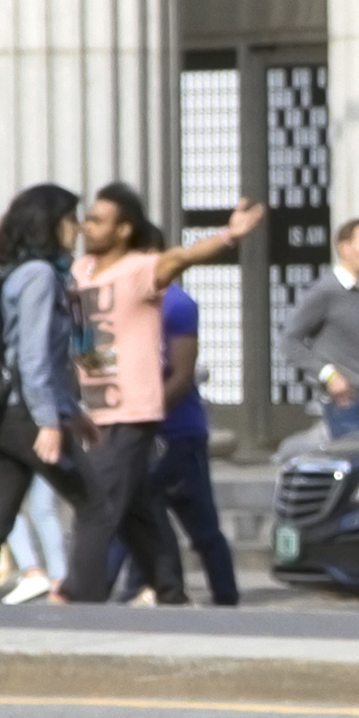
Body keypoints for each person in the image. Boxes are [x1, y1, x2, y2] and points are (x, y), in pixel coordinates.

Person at [63, 182, 265, 606]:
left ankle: (79, 597)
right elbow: (82, 337)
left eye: (98, 220)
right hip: (95, 410)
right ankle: (171, 591)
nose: (88, 226)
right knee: (138, 511)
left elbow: (184, 256)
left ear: (123, 230)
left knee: (97, 506)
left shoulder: (141, 271)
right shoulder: (79, 271)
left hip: (131, 411)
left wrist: (229, 235)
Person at [0, 184, 87, 604]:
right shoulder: (40, 276)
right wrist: (50, 420)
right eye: (70, 219)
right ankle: (81, 594)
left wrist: (74, 413)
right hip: (23, 414)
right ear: (48, 224)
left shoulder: (17, 272)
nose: (77, 228)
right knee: (99, 501)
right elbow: (33, 356)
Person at [146, 252, 243, 606]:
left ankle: (225, 594)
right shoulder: (124, 304)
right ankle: (160, 589)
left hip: (178, 432)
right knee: (139, 515)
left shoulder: (178, 305)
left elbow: (182, 377)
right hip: (137, 435)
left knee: (200, 522)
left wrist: (149, 415)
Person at [285, 220, 359, 435]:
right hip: (350, 406)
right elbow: (290, 341)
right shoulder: (325, 292)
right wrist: (328, 375)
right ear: (345, 249)